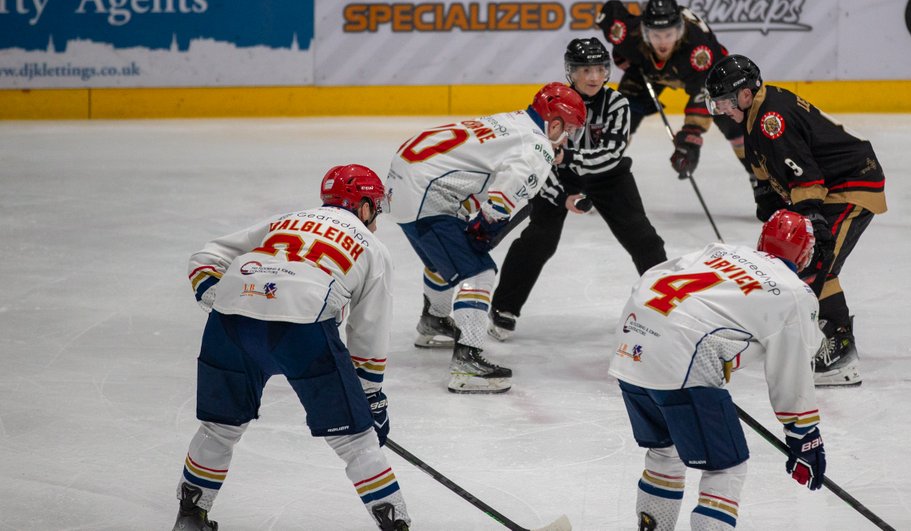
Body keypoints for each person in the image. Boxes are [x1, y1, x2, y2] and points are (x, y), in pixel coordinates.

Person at [175, 165, 409, 531]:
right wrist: (370, 398)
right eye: (374, 207)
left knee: (219, 429)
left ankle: (190, 517)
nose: (375, 216)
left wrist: (219, 297)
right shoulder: (372, 246)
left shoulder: (287, 220)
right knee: (357, 442)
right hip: (302, 328)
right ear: (363, 206)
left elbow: (206, 257)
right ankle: (396, 525)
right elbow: (369, 331)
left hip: (230, 323)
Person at [608, 210, 827, 531]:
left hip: (631, 343)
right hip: (680, 358)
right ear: (806, 255)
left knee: (664, 452)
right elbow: (792, 370)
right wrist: (804, 436)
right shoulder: (793, 292)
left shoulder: (720, 250)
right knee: (726, 469)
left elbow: (652, 276)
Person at [385, 82, 587, 393]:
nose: (568, 138)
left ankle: (434, 321)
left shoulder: (513, 120)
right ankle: (468, 361)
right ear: (555, 123)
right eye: (569, 129)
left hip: (404, 184)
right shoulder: (538, 146)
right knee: (478, 270)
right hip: (428, 195)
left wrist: (478, 221)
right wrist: (486, 226)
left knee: (443, 259)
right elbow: (503, 197)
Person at [704, 54, 886, 387]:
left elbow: (806, 177)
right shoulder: (757, 114)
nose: (724, 110)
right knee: (810, 263)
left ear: (745, 93)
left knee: (816, 261)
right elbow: (771, 172)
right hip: (831, 187)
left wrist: (812, 219)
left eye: (726, 102)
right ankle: (825, 336)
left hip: (851, 185)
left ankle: (840, 352)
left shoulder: (771, 119)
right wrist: (769, 200)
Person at [489, 37, 667, 340]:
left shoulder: (617, 103)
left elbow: (612, 154)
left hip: (609, 177)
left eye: (599, 69)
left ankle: (669, 306)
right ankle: (504, 307)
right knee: (538, 240)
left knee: (643, 238)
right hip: (558, 176)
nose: (594, 77)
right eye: (585, 70)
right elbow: (538, 154)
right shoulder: (550, 101)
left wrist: (568, 156)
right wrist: (562, 193)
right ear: (571, 72)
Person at [595, 0, 750, 180]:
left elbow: (705, 92)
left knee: (732, 122)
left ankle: (759, 176)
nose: (662, 43)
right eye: (656, 35)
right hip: (647, 69)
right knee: (620, 119)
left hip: (706, 74)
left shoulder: (699, 51)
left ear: (680, 31)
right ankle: (598, 172)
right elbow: (611, 9)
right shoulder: (628, 34)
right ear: (644, 32)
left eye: (669, 35)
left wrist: (690, 141)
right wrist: (621, 51)